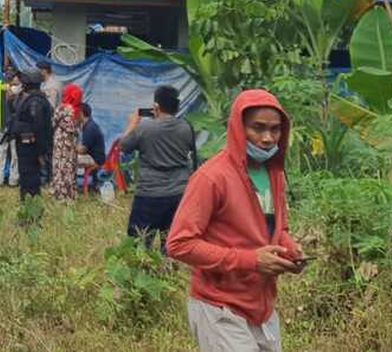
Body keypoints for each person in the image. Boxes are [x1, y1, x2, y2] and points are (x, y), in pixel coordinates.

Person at [168, 90, 304, 352]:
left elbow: (277, 228)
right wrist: (251, 260)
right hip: (220, 307)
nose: (267, 138)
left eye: (275, 130)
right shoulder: (212, 178)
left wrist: (289, 249)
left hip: (262, 307)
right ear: (239, 128)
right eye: (258, 128)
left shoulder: (274, 173)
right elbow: (179, 244)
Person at [121, 85, 197, 249]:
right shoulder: (186, 127)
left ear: (156, 106)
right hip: (178, 192)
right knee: (171, 243)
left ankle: (142, 271)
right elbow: (191, 153)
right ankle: (168, 271)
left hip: (149, 192)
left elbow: (124, 146)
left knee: (139, 243)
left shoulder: (144, 128)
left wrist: (132, 125)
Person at [10, 69, 53, 200]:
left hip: (30, 148)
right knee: (26, 178)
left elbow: (38, 127)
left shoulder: (36, 102)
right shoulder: (31, 99)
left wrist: (41, 152)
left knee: (30, 180)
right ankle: (27, 203)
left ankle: (31, 207)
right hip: (26, 147)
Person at [50, 84, 84, 201]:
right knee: (70, 167)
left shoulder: (62, 108)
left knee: (59, 167)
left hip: (61, 143)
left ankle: (59, 193)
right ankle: (70, 193)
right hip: (72, 143)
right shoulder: (78, 111)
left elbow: (53, 122)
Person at [77, 103, 107, 171]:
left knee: (69, 158)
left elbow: (83, 150)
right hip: (96, 157)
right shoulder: (90, 125)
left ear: (81, 113)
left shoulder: (89, 128)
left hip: (95, 160)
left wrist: (70, 149)